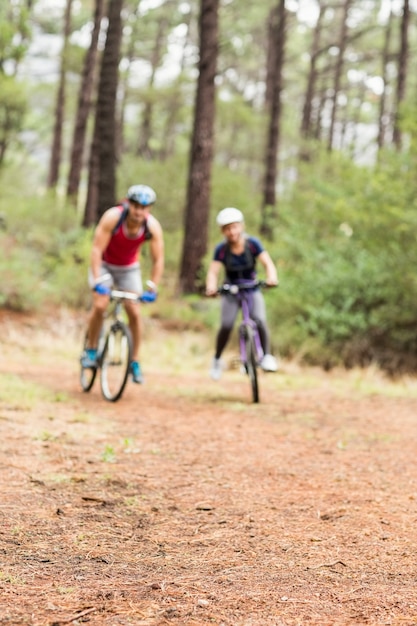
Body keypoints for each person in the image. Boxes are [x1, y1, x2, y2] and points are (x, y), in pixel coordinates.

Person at [81, 184, 164, 384]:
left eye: (144, 208)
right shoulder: (113, 217)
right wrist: (98, 281)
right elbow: (96, 250)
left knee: (134, 312)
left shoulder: (152, 227)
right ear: (128, 204)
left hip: (129, 269)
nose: (139, 211)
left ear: (149, 209)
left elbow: (158, 259)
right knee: (100, 305)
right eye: (135, 206)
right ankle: (91, 350)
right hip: (105, 266)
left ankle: (135, 361)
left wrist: (152, 287)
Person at [205, 207, 279, 380]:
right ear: (222, 231)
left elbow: (267, 263)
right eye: (227, 229)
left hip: (251, 287)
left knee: (259, 319)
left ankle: (267, 356)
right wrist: (211, 287)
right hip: (230, 290)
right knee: (226, 324)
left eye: (235, 227)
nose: (232, 232)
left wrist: (271, 278)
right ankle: (216, 360)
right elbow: (213, 272)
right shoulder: (221, 250)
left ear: (241, 226)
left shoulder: (253, 244)